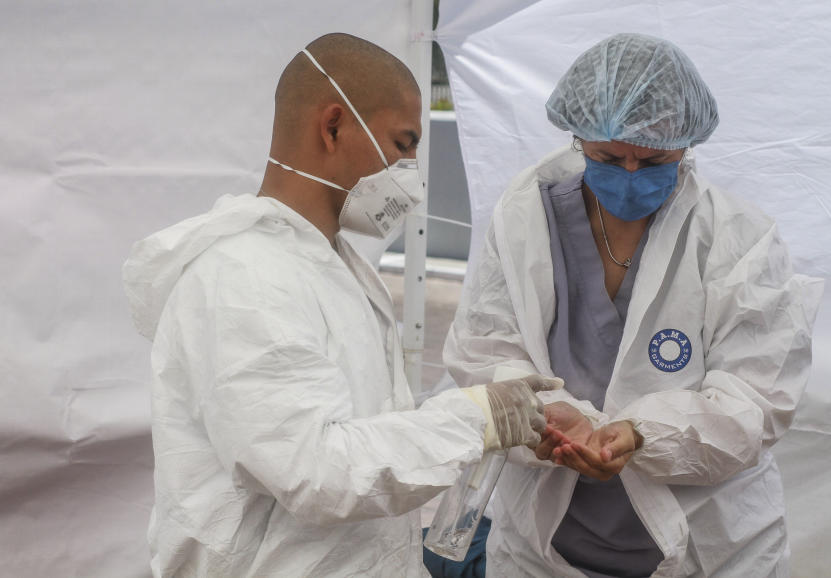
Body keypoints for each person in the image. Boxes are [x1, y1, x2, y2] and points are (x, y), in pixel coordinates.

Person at [123, 33, 560, 578]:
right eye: (403, 144)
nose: (412, 172)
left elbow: (368, 428)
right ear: (333, 126)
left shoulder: (333, 264)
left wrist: (495, 414)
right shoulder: (245, 276)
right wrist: (476, 418)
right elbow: (314, 471)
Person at [444, 33, 824, 577]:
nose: (627, 174)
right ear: (577, 136)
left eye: (651, 160)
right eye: (606, 156)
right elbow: (485, 350)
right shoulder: (527, 220)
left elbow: (757, 398)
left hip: (709, 546)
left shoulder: (739, 238)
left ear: (686, 144)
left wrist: (644, 435)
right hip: (545, 547)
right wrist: (544, 419)